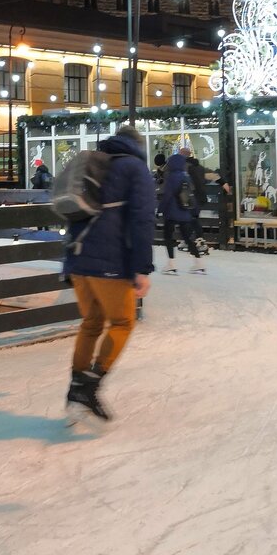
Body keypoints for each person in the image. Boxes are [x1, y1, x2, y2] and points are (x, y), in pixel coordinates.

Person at [63, 124, 156, 423]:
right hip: (110, 263)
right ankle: (90, 385)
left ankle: (76, 387)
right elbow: (141, 220)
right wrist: (141, 268)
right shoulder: (135, 169)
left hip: (77, 258)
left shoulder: (93, 164)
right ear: (139, 146)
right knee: (123, 322)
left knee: (91, 323)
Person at [159, 152, 206, 274]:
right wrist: (194, 210)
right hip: (185, 212)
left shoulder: (171, 177)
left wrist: (160, 209)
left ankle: (171, 263)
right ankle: (198, 262)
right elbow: (191, 195)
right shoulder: (186, 176)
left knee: (168, 237)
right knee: (187, 238)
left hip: (171, 212)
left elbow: (167, 195)